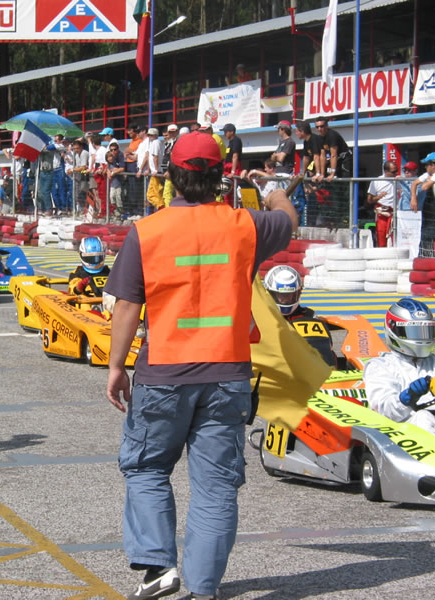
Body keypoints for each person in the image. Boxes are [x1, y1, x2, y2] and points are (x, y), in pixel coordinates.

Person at [104, 131, 298, 600]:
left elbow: (127, 305)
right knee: (216, 489)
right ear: (220, 177)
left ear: (170, 177)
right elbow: (287, 221)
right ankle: (204, 589)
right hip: (227, 373)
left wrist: (116, 366)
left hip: (163, 373)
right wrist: (272, 187)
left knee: (148, 468)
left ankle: (157, 568)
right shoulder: (245, 225)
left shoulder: (146, 231)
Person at [364, 298, 435, 437]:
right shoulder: (380, 367)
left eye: (426, 331)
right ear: (395, 330)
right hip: (401, 435)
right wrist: (407, 397)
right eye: (415, 332)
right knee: (424, 418)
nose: (422, 338)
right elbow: (384, 412)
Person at [263, 266, 336, 367]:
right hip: (275, 366)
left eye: (290, 295)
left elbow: (328, 346)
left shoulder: (309, 315)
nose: (286, 300)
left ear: (299, 292)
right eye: (281, 296)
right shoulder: (263, 315)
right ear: (270, 293)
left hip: (307, 366)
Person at [366, 161, 399, 247]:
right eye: (393, 172)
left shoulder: (398, 180)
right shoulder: (377, 181)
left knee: (395, 238)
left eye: (397, 171)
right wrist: (378, 197)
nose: (396, 173)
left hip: (395, 212)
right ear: (386, 171)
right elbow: (369, 200)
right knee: (381, 236)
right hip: (382, 212)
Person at [314, 117, 351, 181]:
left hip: (344, 159)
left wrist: (332, 173)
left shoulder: (332, 135)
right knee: (327, 176)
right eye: (317, 127)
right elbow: (323, 156)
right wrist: (321, 174)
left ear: (327, 126)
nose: (319, 129)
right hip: (336, 160)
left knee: (343, 181)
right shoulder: (319, 138)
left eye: (321, 126)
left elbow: (334, 155)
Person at [142, 127, 165, 210]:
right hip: (154, 172)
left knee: (151, 194)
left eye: (151, 135)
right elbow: (150, 158)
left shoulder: (156, 142)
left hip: (156, 172)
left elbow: (155, 157)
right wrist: (149, 169)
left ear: (156, 135)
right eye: (149, 135)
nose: (150, 137)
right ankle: (161, 207)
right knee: (156, 193)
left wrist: (156, 169)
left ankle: (162, 207)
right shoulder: (153, 143)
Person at [106, 143, 126, 219]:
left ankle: (120, 215)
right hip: (113, 182)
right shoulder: (110, 157)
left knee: (119, 198)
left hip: (120, 182)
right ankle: (116, 212)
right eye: (111, 150)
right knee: (112, 197)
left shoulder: (120, 155)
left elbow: (122, 168)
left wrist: (114, 171)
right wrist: (108, 171)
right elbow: (108, 167)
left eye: (115, 149)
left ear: (118, 149)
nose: (113, 151)